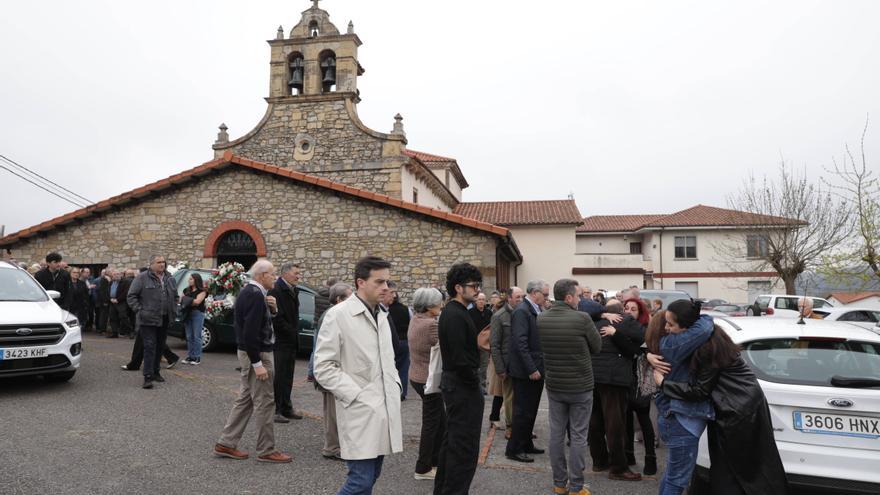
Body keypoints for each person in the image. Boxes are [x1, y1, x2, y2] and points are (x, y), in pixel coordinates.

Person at [656, 321, 789, 495]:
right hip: (744, 407)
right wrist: (649, 356)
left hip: (736, 412)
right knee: (746, 467)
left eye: (672, 325)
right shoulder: (717, 345)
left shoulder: (709, 351)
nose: (668, 328)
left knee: (733, 469)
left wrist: (663, 384)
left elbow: (699, 391)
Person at [314, 256, 403, 494]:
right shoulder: (338, 315)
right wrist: (356, 395)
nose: (386, 287)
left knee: (372, 476)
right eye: (379, 281)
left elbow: (388, 359)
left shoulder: (382, 314)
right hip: (360, 409)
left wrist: (395, 386)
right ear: (360, 282)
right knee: (360, 481)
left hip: (384, 408)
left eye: (387, 281)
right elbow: (323, 367)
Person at [213, 260, 291, 464]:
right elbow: (249, 333)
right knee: (265, 402)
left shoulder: (253, 293)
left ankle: (226, 443)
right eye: (272, 274)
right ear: (261, 275)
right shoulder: (255, 295)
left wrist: (272, 310)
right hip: (257, 354)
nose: (275, 277)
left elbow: (255, 324)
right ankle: (266, 450)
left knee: (246, 398)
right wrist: (258, 364)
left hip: (251, 352)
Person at [538, 279, 602, 495]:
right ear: (568, 297)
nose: (581, 299)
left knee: (556, 434)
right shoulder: (582, 318)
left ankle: (559, 483)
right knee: (578, 436)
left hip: (555, 384)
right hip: (580, 386)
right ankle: (575, 486)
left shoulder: (542, 318)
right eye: (578, 295)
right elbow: (597, 346)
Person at [645, 302, 715, 495]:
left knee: (673, 474)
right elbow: (706, 326)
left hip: (677, 418)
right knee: (677, 480)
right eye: (665, 324)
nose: (667, 328)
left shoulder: (675, 344)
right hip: (681, 420)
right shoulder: (672, 344)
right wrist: (701, 317)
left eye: (671, 324)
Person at [433, 262, 484, 494]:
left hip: (460, 384)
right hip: (461, 386)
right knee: (463, 447)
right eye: (473, 286)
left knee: (454, 443)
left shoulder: (458, 312)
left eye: (477, 285)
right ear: (458, 288)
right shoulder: (454, 315)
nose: (477, 290)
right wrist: (474, 382)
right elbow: (459, 358)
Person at [588, 298, 644, 481]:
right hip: (614, 379)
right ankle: (618, 468)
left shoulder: (593, 321)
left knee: (595, 420)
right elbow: (644, 335)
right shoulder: (624, 321)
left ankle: (599, 461)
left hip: (593, 377)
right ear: (621, 312)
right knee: (615, 424)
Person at [505, 280, 549, 463]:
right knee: (522, 412)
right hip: (526, 371)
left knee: (530, 410)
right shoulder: (522, 311)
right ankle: (514, 449)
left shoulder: (535, 309)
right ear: (535, 293)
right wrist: (531, 368)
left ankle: (526, 443)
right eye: (545, 295)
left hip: (536, 367)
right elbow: (520, 343)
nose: (546, 298)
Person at [407, 287, 446, 481]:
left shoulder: (416, 318)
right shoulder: (431, 324)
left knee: (440, 421)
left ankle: (437, 460)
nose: (441, 305)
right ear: (430, 306)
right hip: (428, 380)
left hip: (417, 376)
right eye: (439, 302)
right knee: (432, 424)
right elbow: (445, 348)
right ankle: (422, 468)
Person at [313, 282, 352, 461]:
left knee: (336, 411)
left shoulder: (337, 314)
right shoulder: (331, 316)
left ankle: (337, 445)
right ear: (339, 299)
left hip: (335, 371)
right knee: (332, 413)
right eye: (349, 296)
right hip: (330, 372)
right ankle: (332, 448)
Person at [127, 256, 179, 389]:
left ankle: (156, 372)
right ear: (151, 264)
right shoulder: (142, 277)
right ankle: (148, 376)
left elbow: (175, 296)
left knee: (160, 346)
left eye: (163, 262)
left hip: (165, 318)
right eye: (159, 262)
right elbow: (131, 296)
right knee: (150, 346)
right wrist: (140, 310)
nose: (162, 264)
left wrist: (174, 307)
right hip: (148, 319)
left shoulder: (170, 278)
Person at [622, 298, 657, 476]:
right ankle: (629, 455)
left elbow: (639, 350)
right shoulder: (622, 326)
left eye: (633, 309)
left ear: (640, 312)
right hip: (625, 379)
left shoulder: (646, 329)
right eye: (626, 308)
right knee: (626, 419)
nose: (629, 311)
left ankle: (651, 458)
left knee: (644, 418)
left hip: (641, 379)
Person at [268, 262, 303, 423]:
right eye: (296, 273)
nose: (298, 276)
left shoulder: (292, 289)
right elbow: (277, 318)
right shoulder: (276, 290)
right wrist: (290, 331)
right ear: (285, 274)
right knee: (280, 376)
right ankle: (276, 410)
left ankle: (287, 407)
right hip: (282, 340)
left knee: (288, 375)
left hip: (290, 339)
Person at [489, 286, 523, 435]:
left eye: (522, 297)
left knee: (521, 397)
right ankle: (511, 427)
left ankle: (521, 426)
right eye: (518, 297)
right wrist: (500, 368)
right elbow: (494, 345)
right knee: (509, 397)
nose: (521, 300)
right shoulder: (499, 316)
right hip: (507, 363)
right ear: (509, 298)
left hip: (521, 363)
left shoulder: (523, 313)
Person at [386, 281, 412, 401]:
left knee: (392, 367)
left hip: (391, 341)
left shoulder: (386, 311)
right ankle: (402, 392)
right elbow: (411, 324)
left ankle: (393, 390)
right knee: (403, 368)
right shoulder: (406, 309)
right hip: (404, 340)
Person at [468, 291, 493, 394]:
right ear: (475, 301)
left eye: (483, 299)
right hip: (473, 343)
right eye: (479, 299)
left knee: (484, 365)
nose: (481, 301)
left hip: (485, 344)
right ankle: (474, 385)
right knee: (474, 365)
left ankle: (482, 386)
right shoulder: (470, 313)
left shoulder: (489, 313)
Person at [181, 273, 208, 365]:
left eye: (191, 279)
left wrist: (186, 300)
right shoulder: (186, 290)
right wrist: (189, 301)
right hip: (187, 314)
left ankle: (197, 357)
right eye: (189, 279)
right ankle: (190, 356)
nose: (189, 280)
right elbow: (181, 300)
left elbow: (197, 302)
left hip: (197, 314)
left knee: (197, 336)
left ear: (196, 280)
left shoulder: (202, 291)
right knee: (189, 336)